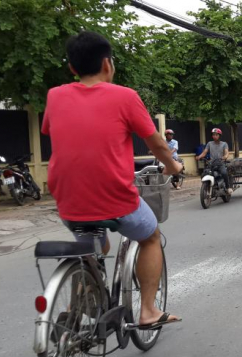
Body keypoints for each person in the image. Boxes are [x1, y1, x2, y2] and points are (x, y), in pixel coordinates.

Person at [42, 31, 182, 329]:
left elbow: (55, 132)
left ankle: (77, 305)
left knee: (93, 246)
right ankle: (147, 311)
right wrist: (173, 165)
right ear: (108, 64)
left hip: (68, 201)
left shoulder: (54, 96)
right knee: (151, 236)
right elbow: (157, 144)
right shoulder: (124, 96)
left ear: (72, 68)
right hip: (116, 200)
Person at [196, 128, 233, 194]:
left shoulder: (224, 144)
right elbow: (204, 152)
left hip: (220, 163)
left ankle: (228, 187)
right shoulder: (209, 144)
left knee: (224, 173)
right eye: (213, 135)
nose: (214, 136)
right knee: (204, 174)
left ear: (219, 136)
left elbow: (226, 153)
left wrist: (224, 157)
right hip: (211, 163)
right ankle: (207, 186)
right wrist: (199, 157)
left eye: (216, 135)